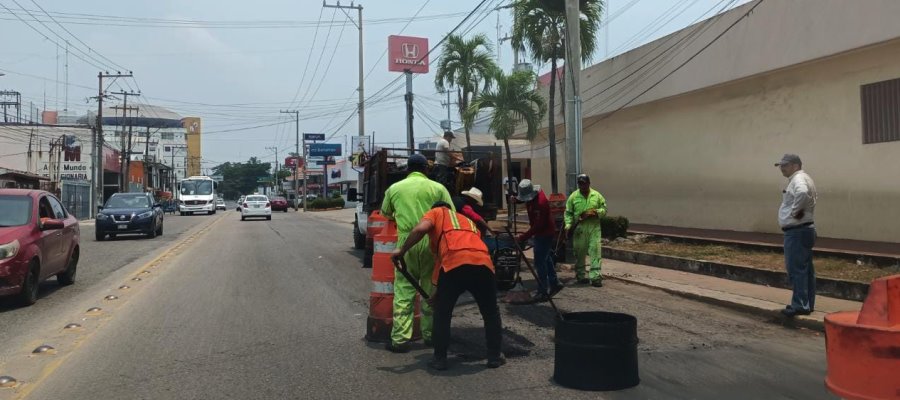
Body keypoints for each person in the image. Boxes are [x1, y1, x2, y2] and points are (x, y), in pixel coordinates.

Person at [392, 201, 504, 371]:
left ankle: (440, 359)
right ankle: (494, 356)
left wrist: (402, 250)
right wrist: (436, 293)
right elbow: (442, 262)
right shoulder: (467, 221)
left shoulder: (437, 213)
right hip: (483, 264)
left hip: (454, 263)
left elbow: (420, 229)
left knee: (442, 314)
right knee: (490, 313)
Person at [380, 153, 454, 353]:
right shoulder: (438, 188)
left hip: (407, 242)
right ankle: (430, 336)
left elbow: (385, 212)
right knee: (430, 291)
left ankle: (400, 340)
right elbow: (451, 213)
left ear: (407, 169)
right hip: (432, 241)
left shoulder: (394, 189)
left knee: (404, 291)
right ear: (426, 169)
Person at [775, 154, 818, 317]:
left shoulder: (798, 180)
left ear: (795, 165)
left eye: (785, 165)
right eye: (781, 165)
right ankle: (806, 304)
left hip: (797, 231)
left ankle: (800, 305)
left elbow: (802, 193)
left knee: (796, 269)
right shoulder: (804, 178)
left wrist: (795, 213)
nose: (781, 168)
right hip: (804, 229)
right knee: (806, 270)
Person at [515, 180, 562, 301]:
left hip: (544, 233)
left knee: (539, 262)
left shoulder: (540, 203)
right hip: (542, 232)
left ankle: (543, 290)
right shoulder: (532, 197)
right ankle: (554, 282)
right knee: (546, 258)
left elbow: (538, 226)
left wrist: (523, 237)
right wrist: (516, 200)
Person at [564, 174, 607, 287]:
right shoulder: (573, 197)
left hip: (594, 229)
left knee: (595, 251)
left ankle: (596, 277)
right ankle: (580, 276)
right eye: (580, 184)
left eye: (584, 183)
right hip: (579, 230)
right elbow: (568, 213)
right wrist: (568, 225)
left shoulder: (596, 195)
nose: (582, 186)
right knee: (580, 252)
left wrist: (595, 212)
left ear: (589, 183)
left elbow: (604, 209)